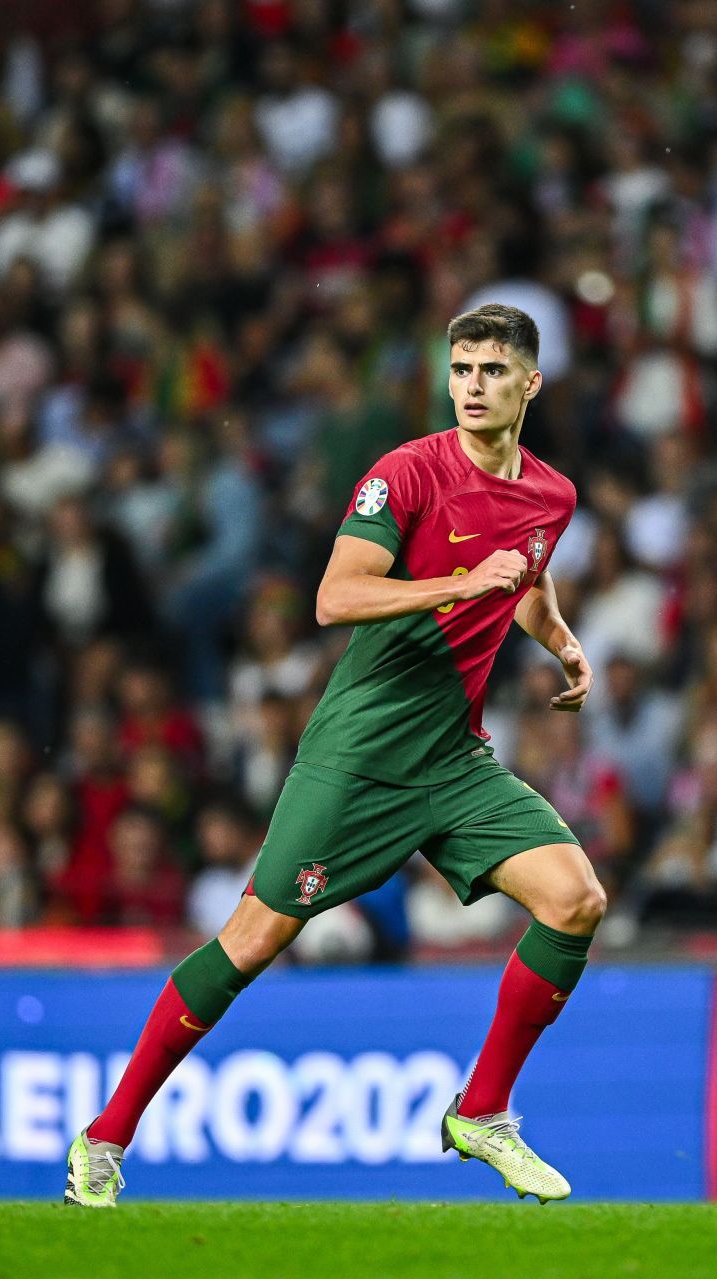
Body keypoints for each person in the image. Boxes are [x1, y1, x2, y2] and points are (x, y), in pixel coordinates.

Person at [67, 305, 598, 1207]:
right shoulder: (407, 473)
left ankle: (484, 1111)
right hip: (358, 751)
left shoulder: (553, 494)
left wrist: (559, 639)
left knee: (575, 898)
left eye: (491, 371)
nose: (471, 386)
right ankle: (106, 1138)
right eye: (460, 368)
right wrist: (463, 583)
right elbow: (334, 596)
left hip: (453, 757)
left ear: (530, 384)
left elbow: (526, 572)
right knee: (250, 942)